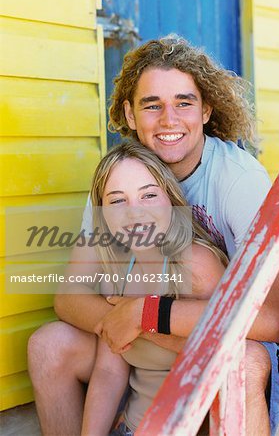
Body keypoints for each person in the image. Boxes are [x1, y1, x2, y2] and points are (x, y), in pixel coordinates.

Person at [28, 35, 279, 436]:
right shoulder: (124, 178)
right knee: (49, 346)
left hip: (247, 342)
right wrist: (124, 324)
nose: (169, 119)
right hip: (160, 334)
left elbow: (272, 320)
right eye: (152, 105)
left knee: (243, 361)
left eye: (184, 102)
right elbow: (70, 295)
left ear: (206, 110)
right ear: (130, 115)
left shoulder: (237, 180)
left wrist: (144, 315)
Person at [81, 140, 228, 435]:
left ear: (170, 200)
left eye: (148, 195)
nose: (134, 212)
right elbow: (109, 371)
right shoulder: (119, 270)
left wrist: (144, 324)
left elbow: (220, 365)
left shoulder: (195, 263)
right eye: (117, 200)